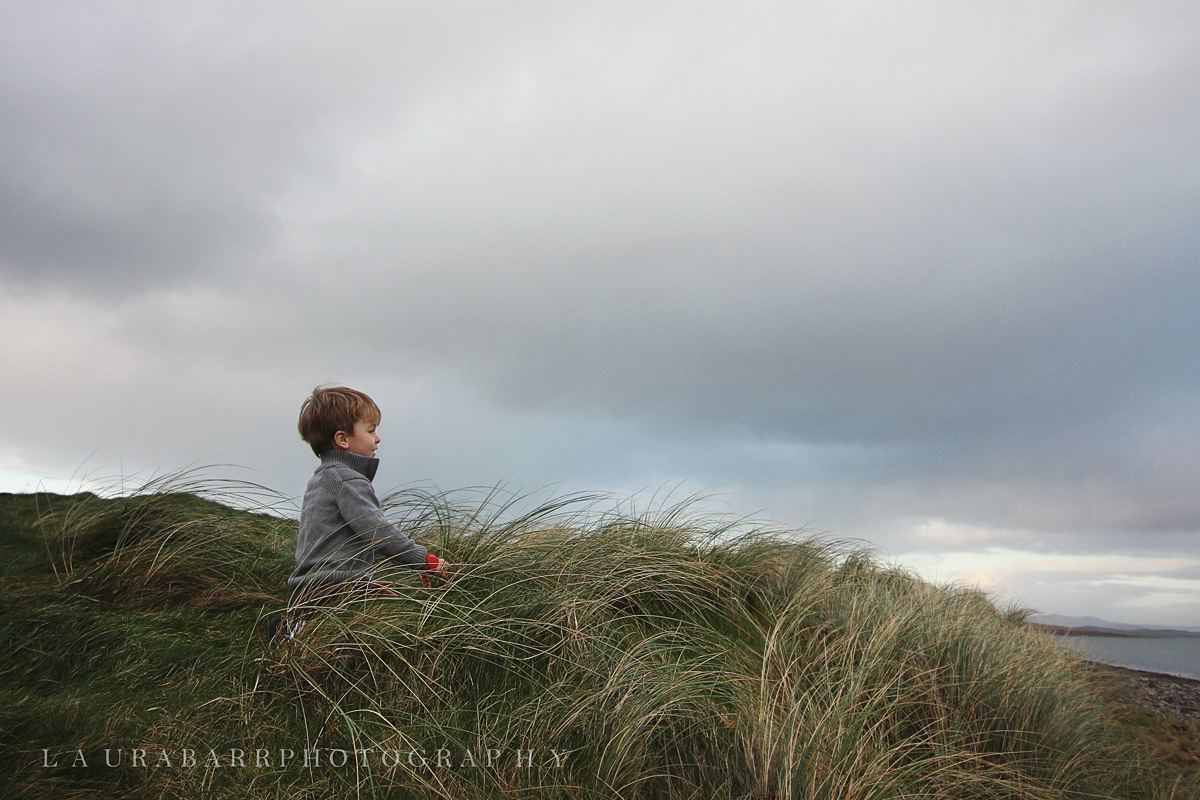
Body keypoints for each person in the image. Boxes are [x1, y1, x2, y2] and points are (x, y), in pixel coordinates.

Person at [288, 384, 446, 599]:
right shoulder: (347, 479)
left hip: (310, 588)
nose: (377, 438)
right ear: (342, 439)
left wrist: (361, 580)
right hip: (335, 589)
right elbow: (376, 530)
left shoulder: (321, 478)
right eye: (371, 430)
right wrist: (422, 559)